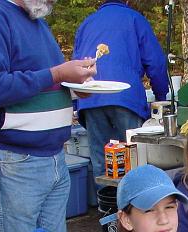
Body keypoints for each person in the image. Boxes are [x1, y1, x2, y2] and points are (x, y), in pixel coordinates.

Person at [0, 0, 96, 232]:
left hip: (55, 158)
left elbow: (46, 83)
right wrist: (56, 73)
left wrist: (78, 86)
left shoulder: (36, 21)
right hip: (14, 161)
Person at [72, 0, 168, 193]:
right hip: (126, 98)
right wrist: (161, 96)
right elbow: (156, 62)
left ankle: (108, 214)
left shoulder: (88, 23)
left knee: (102, 160)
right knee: (135, 156)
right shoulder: (135, 19)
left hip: (91, 97)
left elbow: (76, 65)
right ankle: (137, 209)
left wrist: (76, 101)